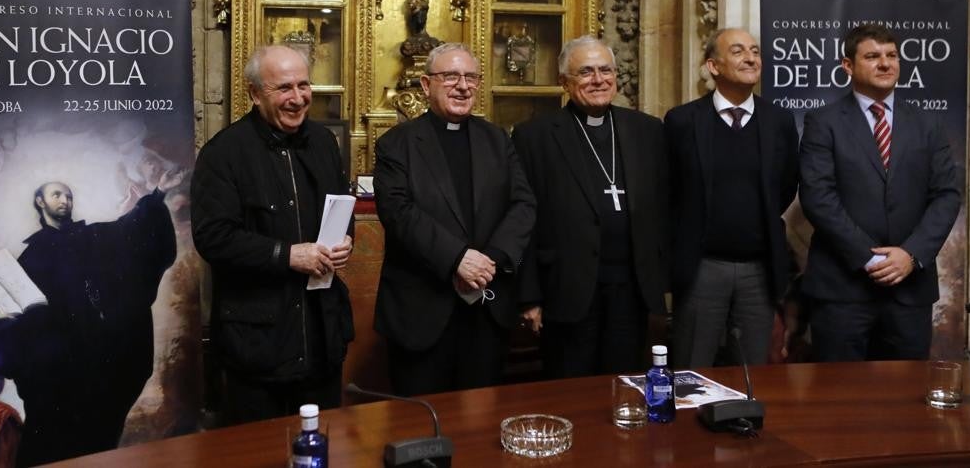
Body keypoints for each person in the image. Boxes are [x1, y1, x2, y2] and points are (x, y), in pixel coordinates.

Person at [191, 45, 355, 422]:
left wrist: (344, 241)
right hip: (257, 344)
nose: (297, 98)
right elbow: (212, 237)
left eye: (304, 85)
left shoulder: (325, 143)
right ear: (254, 93)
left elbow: (340, 207)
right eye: (284, 88)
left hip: (321, 337)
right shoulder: (223, 153)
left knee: (321, 443)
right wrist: (288, 255)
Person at [0, 179, 176, 465]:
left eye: (69, 196)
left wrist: (157, 196)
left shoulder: (96, 237)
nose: (65, 200)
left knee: (97, 446)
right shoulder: (30, 258)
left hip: (98, 370)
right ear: (40, 201)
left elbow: (133, 229)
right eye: (56, 194)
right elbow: (13, 315)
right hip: (54, 380)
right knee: (48, 449)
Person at [373, 43, 535, 395]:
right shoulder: (396, 144)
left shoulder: (497, 140)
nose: (463, 86)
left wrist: (489, 260)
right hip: (421, 313)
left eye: (471, 77)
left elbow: (523, 204)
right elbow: (398, 213)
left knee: (480, 426)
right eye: (450, 77)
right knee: (419, 426)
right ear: (425, 84)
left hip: (486, 310)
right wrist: (458, 258)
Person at [799, 24, 962, 361]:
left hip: (909, 290)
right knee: (841, 400)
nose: (885, 64)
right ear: (848, 66)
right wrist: (871, 258)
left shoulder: (927, 124)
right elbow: (818, 197)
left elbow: (946, 195)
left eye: (891, 56)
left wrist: (910, 254)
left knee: (906, 401)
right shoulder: (823, 122)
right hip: (842, 291)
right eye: (872, 56)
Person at [511, 36, 669, 377]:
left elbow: (664, 206)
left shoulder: (647, 130)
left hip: (631, 291)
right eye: (585, 72)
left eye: (605, 70)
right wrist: (529, 297)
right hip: (566, 291)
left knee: (625, 385)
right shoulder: (534, 137)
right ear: (564, 82)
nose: (598, 80)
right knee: (570, 391)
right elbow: (523, 221)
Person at [664, 28, 800, 368]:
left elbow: (785, 185)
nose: (751, 58)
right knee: (691, 372)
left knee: (751, 375)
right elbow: (668, 191)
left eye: (755, 51)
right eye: (738, 51)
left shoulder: (779, 120)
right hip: (701, 269)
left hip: (759, 270)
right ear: (714, 66)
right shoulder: (682, 121)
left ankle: (744, 424)